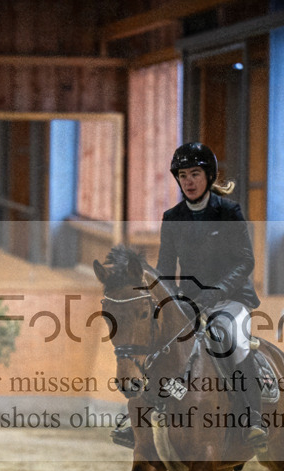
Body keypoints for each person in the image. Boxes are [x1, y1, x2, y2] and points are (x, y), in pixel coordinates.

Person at [112, 142, 267, 449]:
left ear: (208, 176)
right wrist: (165, 300)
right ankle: (140, 417)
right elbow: (166, 267)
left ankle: (252, 419)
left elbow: (245, 261)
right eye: (183, 175)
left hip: (231, 297)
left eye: (195, 174)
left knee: (229, 337)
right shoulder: (172, 217)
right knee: (159, 339)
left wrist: (218, 291)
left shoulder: (229, 212)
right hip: (188, 300)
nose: (189, 181)